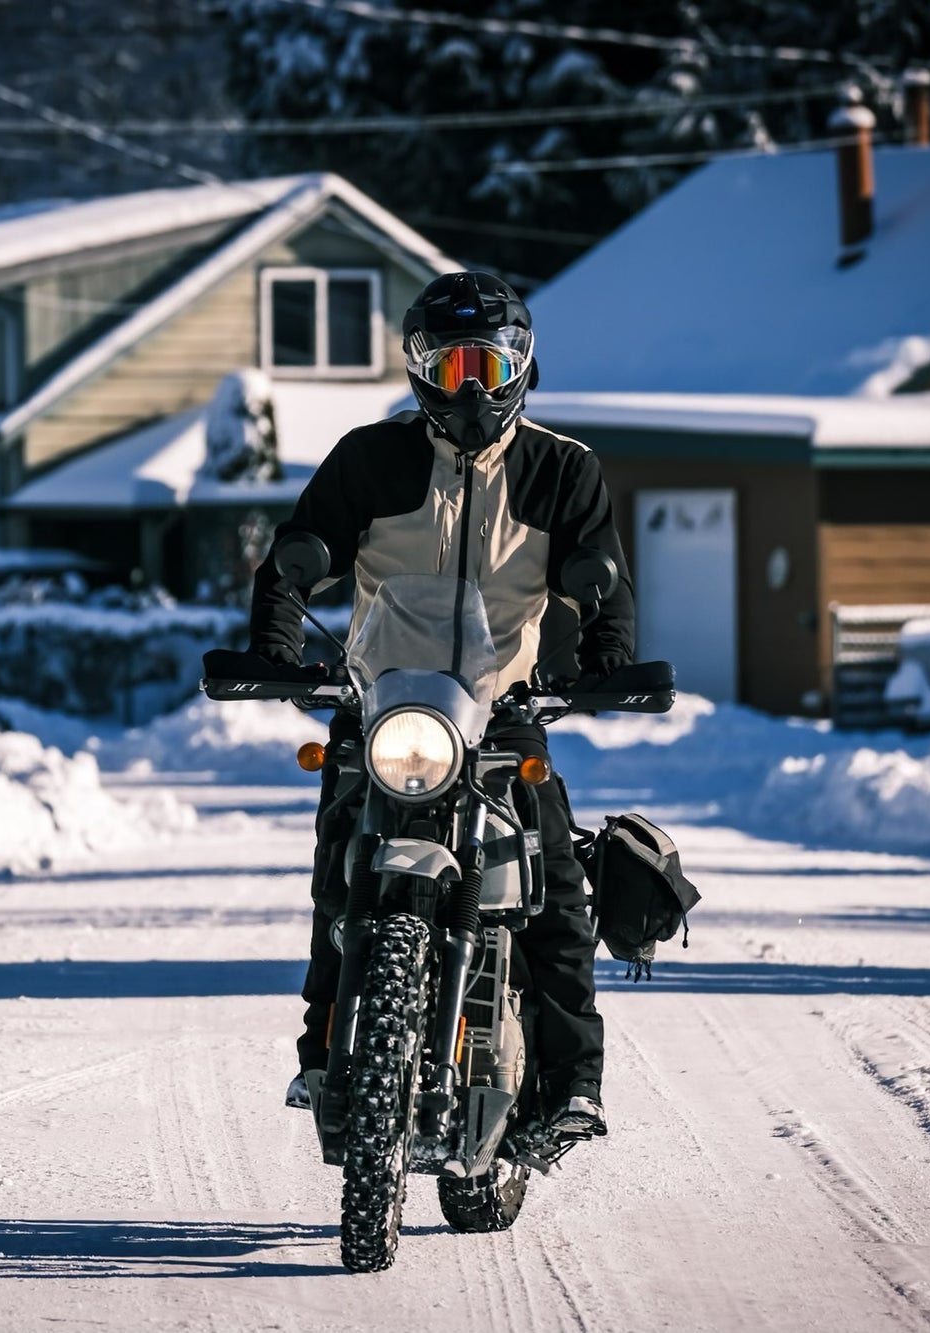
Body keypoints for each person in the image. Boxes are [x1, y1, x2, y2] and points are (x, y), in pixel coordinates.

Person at [248, 270, 634, 1149]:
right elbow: (295, 556)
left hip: (499, 710)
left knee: (558, 895)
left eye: (486, 363)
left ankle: (575, 1081)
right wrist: (276, 647)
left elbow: (602, 580)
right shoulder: (367, 458)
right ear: (421, 370)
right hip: (384, 706)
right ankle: (322, 1054)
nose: (469, 386)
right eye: (450, 363)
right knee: (341, 872)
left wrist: (608, 661)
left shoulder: (562, 470)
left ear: (520, 367)